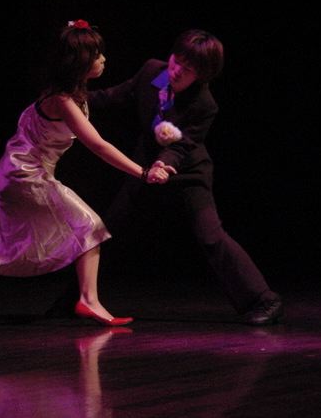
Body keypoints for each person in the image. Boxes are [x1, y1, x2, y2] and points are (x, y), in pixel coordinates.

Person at [0, 19, 174, 326]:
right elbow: (98, 146)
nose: (103, 59)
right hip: (25, 176)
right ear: (80, 62)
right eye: (97, 54)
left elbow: (114, 98)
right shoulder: (62, 101)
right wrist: (143, 172)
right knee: (90, 226)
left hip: (14, 174)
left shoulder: (65, 94)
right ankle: (89, 300)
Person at [49, 29, 283, 326]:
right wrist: (68, 100)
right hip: (146, 167)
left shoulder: (203, 104)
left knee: (210, 236)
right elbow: (116, 96)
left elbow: (182, 145)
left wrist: (162, 165)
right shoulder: (154, 72)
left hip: (187, 173)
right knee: (107, 231)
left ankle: (264, 300)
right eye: (176, 61)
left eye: (188, 69)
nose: (177, 71)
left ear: (202, 74)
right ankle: (74, 300)